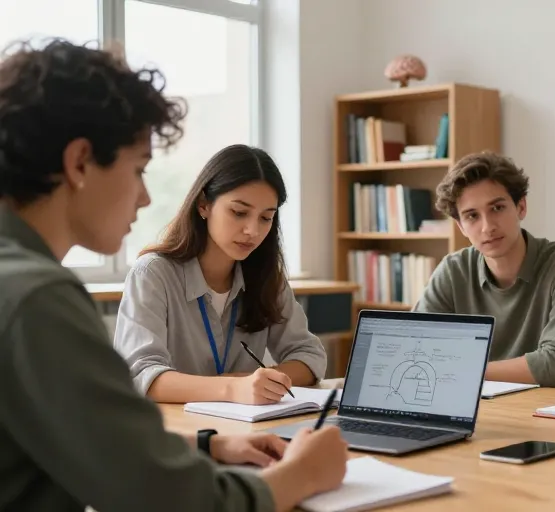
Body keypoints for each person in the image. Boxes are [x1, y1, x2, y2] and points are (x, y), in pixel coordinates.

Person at [0, 39, 347, 511]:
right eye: (139, 169)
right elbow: (165, 497)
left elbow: (95, 446)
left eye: (265, 217)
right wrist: (301, 475)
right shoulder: (36, 297)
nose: (145, 198)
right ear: (79, 161)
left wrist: (206, 446)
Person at [113, 144, 328, 405]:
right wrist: (231, 388)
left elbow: (310, 355)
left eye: (266, 218)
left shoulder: (266, 277)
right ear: (204, 204)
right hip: (176, 432)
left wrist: (263, 381)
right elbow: (140, 375)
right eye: (239, 212)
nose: (252, 230)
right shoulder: (153, 274)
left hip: (246, 428)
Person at [414, 151, 555, 387]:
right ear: (460, 226)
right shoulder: (453, 270)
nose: (487, 227)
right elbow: (414, 348)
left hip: (550, 411)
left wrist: (460, 369)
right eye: (472, 216)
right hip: (479, 410)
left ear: (521, 207)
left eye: (497, 208)